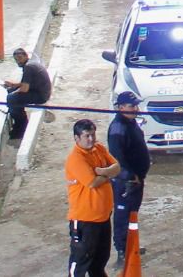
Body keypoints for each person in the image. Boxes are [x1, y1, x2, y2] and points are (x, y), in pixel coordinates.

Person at [66, 118, 121, 277]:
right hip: (86, 220)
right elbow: (92, 182)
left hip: (103, 218)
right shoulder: (76, 159)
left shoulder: (99, 149)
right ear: (77, 138)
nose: (91, 139)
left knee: (100, 261)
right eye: (87, 136)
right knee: (81, 261)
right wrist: (108, 174)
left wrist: (101, 171)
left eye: (93, 135)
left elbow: (117, 168)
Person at [107, 91, 150, 268]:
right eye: (132, 106)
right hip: (125, 183)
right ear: (121, 107)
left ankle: (131, 246)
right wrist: (131, 177)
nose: (136, 109)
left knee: (132, 216)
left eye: (136, 105)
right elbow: (117, 159)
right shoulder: (118, 129)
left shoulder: (130, 123)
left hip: (135, 181)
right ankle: (122, 252)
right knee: (123, 217)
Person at [1, 46, 51, 141]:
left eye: (20, 58)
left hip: (41, 96)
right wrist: (13, 85)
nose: (18, 61)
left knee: (11, 98)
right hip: (40, 91)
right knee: (11, 91)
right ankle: (19, 120)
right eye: (16, 60)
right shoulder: (30, 64)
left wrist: (13, 93)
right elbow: (25, 84)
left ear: (25, 56)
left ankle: (21, 127)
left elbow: (24, 89)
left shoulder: (28, 67)